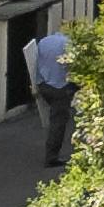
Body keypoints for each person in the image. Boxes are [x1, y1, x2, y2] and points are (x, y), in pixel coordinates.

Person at [28, 16, 75, 170]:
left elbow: (36, 61)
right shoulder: (69, 44)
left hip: (44, 85)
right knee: (58, 122)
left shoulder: (44, 41)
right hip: (60, 87)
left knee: (55, 117)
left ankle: (53, 153)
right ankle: (51, 157)